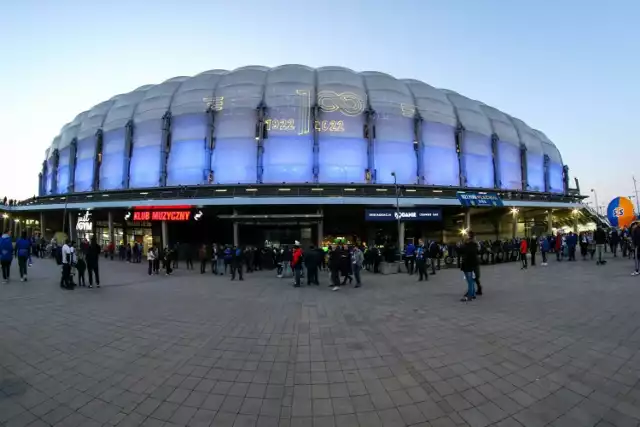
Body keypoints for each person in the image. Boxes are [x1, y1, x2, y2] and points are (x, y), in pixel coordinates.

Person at [460, 232, 478, 302]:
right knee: (471, 281)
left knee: (470, 281)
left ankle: (469, 296)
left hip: (468, 265)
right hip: (471, 265)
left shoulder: (468, 245)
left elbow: (461, 251)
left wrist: (461, 245)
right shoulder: (474, 245)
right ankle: (473, 294)